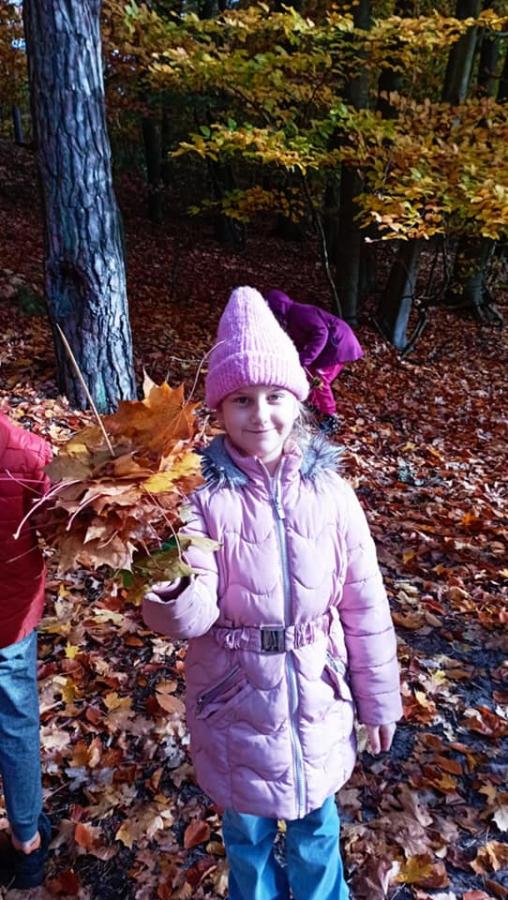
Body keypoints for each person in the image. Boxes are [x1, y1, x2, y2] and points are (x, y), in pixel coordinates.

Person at [143, 286, 402, 900]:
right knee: (248, 834)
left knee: (317, 830)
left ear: (298, 399)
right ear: (219, 409)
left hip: (318, 693)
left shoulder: (332, 494)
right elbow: (192, 613)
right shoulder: (198, 498)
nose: (260, 415)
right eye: (242, 400)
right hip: (236, 701)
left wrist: (379, 701)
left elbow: (364, 603)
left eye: (274, 397)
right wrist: (171, 588)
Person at [0, 410, 52, 890]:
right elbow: (57, 525)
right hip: (9, 619)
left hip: (10, 614)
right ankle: (27, 841)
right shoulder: (27, 451)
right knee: (15, 725)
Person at [265, 288, 364, 434]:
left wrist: (306, 358)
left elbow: (321, 333)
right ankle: (314, 407)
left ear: (278, 308)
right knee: (310, 375)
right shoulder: (291, 319)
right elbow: (301, 340)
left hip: (339, 345)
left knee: (319, 380)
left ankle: (331, 417)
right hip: (331, 347)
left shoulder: (299, 313)